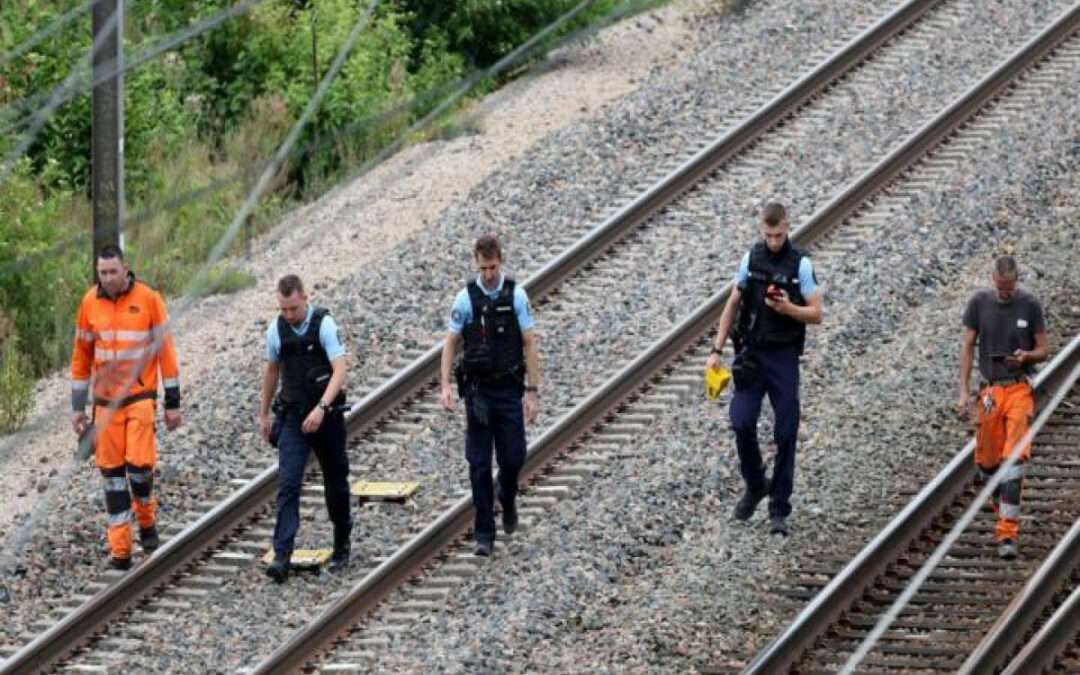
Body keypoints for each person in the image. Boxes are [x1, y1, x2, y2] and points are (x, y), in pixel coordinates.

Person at [706, 203, 823, 536]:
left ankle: (779, 509)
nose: (773, 241)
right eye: (768, 235)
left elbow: (816, 314)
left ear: (787, 227)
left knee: (786, 432)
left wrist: (788, 308)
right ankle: (756, 483)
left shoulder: (800, 264)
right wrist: (716, 349)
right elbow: (732, 303)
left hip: (783, 357)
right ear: (762, 230)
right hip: (752, 354)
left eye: (779, 234)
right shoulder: (750, 259)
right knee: (741, 421)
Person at [71, 244, 183, 570]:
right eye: (102, 273)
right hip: (105, 406)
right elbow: (81, 356)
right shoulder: (89, 303)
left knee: (139, 467)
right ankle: (121, 551)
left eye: (112, 272)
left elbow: (166, 352)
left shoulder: (149, 300)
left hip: (139, 398)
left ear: (125, 269)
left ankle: (146, 521)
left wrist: (172, 402)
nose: (107, 278)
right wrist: (78, 407)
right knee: (112, 477)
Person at [439, 235, 540, 557]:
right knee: (479, 464)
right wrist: (445, 385)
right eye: (483, 268)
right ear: (476, 263)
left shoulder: (516, 296)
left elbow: (530, 343)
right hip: (479, 394)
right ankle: (484, 532)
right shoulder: (466, 300)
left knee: (514, 457)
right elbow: (450, 343)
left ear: (501, 261)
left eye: (492, 267)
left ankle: (507, 495)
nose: (488, 274)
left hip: (509, 389)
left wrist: (532, 392)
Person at [259, 274, 352, 582]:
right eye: (284, 309)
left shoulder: (324, 325)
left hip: (325, 417)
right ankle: (282, 555)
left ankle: (342, 540)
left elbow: (340, 369)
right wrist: (263, 415)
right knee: (288, 484)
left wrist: (322, 408)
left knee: (335, 479)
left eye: (293, 309)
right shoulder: (276, 331)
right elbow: (272, 371)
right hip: (292, 418)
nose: (288, 315)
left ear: (305, 299)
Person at [956, 255, 1047, 559]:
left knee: (1015, 458)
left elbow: (1044, 348)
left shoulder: (1030, 306)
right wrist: (964, 391)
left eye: (1011, 287)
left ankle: (1007, 534)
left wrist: (1028, 357)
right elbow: (968, 345)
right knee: (987, 462)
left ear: (1016, 281)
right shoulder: (979, 304)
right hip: (990, 391)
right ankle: (1003, 511)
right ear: (993, 279)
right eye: (1001, 286)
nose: (1006, 292)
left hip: (1019, 387)